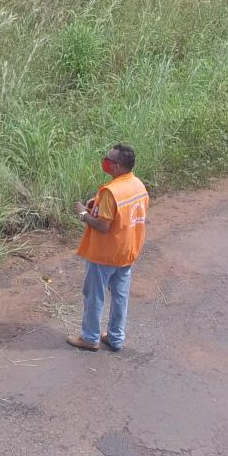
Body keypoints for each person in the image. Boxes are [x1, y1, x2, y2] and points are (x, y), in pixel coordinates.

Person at [67, 144, 150, 353]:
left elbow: (103, 226)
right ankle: (115, 338)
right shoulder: (137, 184)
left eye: (109, 160)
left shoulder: (111, 191)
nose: (105, 161)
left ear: (118, 166)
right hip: (127, 251)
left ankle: (90, 338)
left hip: (105, 254)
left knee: (94, 296)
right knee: (120, 297)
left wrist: (82, 214)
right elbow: (125, 212)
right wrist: (99, 204)